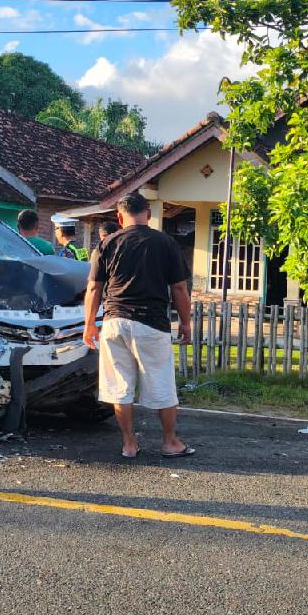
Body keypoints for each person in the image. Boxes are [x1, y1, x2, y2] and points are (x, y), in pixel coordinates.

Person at [83, 193, 194, 460]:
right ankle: (170, 442)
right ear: (149, 214)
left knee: (119, 385)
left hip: (114, 320)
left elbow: (93, 287)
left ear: (119, 218)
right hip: (151, 322)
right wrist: (186, 323)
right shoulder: (166, 242)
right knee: (162, 383)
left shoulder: (107, 243)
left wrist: (89, 324)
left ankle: (129, 444)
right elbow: (178, 288)